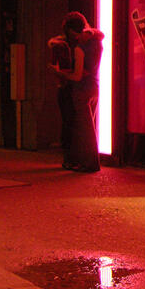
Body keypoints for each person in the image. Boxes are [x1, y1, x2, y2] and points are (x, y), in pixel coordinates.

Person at [49, 14, 104, 172]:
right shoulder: (97, 43)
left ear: (73, 32)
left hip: (81, 90)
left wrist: (60, 73)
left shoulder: (80, 49)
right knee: (91, 127)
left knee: (85, 130)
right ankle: (90, 162)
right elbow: (100, 34)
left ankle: (90, 163)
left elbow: (77, 76)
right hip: (94, 87)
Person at [48, 12, 87, 169]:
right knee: (70, 123)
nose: (76, 33)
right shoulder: (63, 44)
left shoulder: (67, 43)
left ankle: (71, 157)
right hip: (68, 87)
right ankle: (70, 157)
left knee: (71, 123)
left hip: (70, 86)